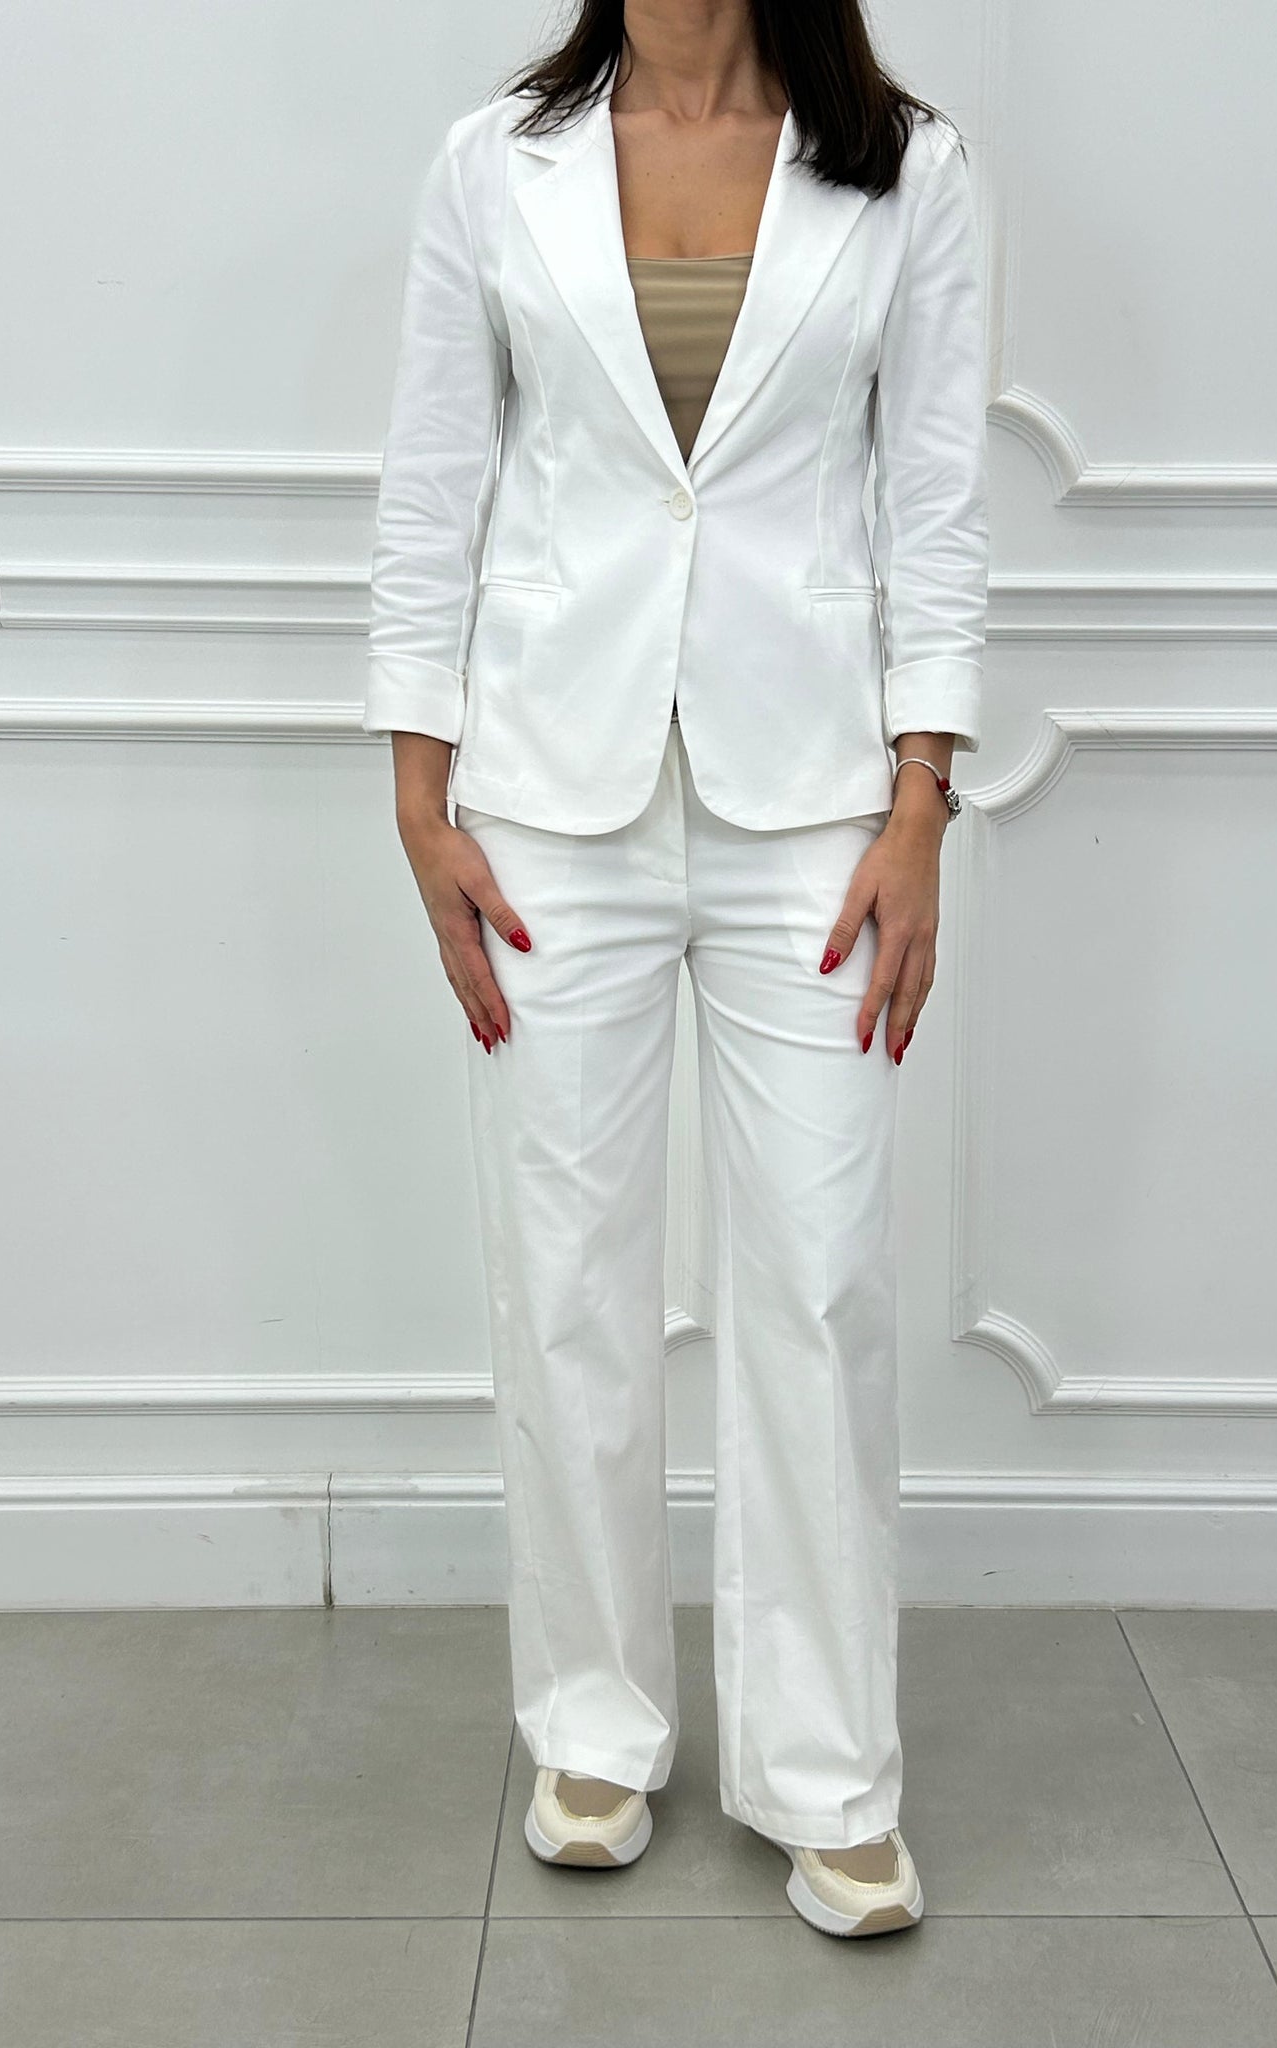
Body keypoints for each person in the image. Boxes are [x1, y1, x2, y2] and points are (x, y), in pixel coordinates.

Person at [363, 0, 988, 1939]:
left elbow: (936, 502)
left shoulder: (909, 169)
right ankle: (594, 1724)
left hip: (818, 806)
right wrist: (419, 790)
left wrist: (921, 805)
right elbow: (435, 482)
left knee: (820, 1278)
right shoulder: (497, 163)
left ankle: (830, 1772)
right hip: (552, 796)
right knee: (567, 1277)